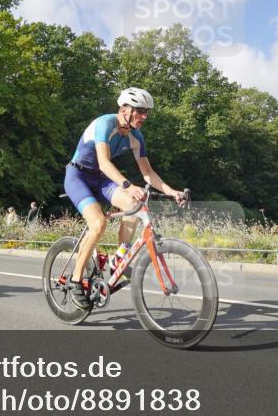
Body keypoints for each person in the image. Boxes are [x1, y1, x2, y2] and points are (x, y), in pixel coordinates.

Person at [63, 87, 187, 308]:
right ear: (124, 109)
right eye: (140, 111)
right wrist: (128, 185)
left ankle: (120, 256)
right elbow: (103, 162)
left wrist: (171, 191)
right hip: (78, 176)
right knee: (98, 223)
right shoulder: (105, 124)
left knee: (135, 204)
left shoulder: (136, 136)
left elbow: (148, 173)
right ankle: (75, 280)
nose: (144, 116)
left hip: (101, 179)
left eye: (146, 112)